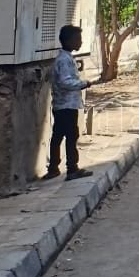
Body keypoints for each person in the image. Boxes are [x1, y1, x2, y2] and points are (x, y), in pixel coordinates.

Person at [44, 25, 93, 181]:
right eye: (78, 39)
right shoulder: (64, 60)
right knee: (71, 136)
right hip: (66, 105)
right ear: (69, 41)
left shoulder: (65, 58)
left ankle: (53, 168)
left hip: (61, 105)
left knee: (58, 136)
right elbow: (65, 82)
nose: (80, 42)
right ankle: (72, 169)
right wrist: (83, 83)